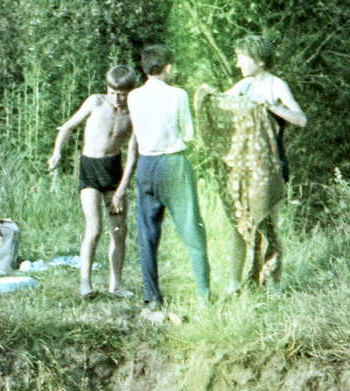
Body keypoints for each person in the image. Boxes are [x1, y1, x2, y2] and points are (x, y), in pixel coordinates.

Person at [113, 45, 210, 320]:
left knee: (147, 235)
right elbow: (189, 135)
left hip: (146, 165)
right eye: (174, 67)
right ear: (167, 68)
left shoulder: (133, 97)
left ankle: (152, 297)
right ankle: (204, 295)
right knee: (193, 231)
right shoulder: (178, 94)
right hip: (173, 162)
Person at [219, 35, 306, 288]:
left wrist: (268, 106)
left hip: (271, 166)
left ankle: (273, 287)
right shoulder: (243, 85)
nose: (238, 64)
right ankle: (234, 284)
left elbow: (301, 119)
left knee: (269, 227)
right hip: (243, 168)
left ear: (259, 60)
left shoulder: (276, 85)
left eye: (242, 59)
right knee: (239, 225)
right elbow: (220, 104)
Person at [47, 65, 137, 299]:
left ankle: (116, 284)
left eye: (123, 94)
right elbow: (68, 127)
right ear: (107, 89)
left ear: (130, 91)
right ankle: (85, 284)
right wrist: (57, 153)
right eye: (113, 92)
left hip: (114, 170)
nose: (117, 98)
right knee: (94, 228)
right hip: (90, 167)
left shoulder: (133, 112)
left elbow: (133, 155)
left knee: (119, 230)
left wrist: (121, 189)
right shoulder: (96, 102)